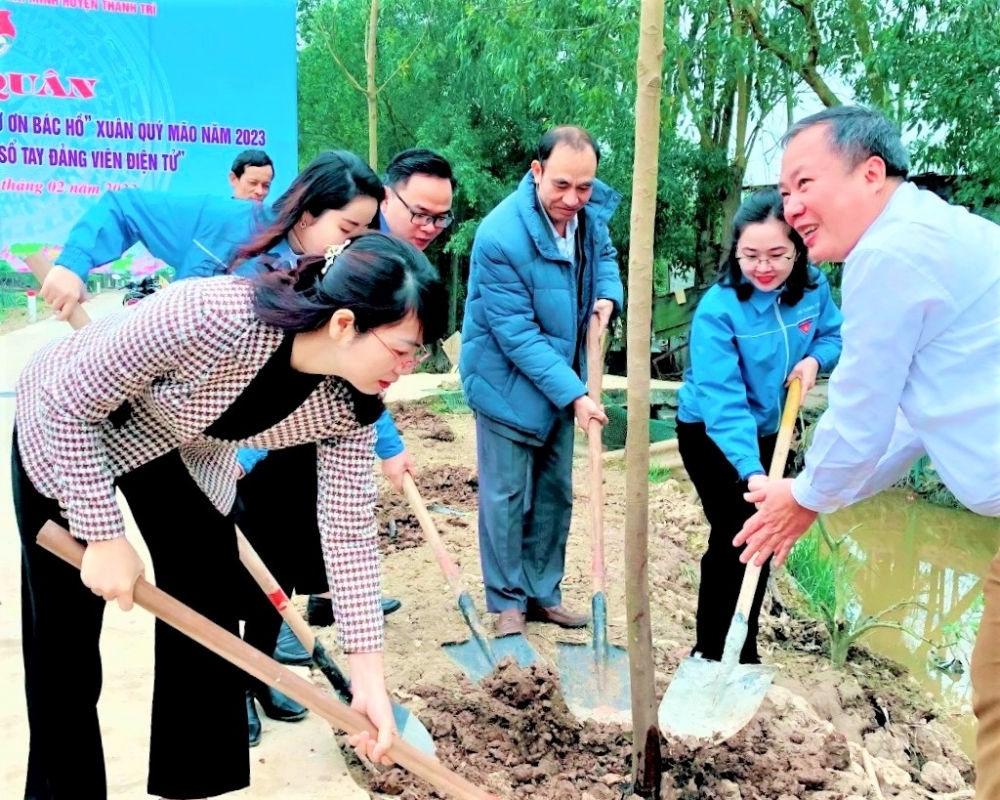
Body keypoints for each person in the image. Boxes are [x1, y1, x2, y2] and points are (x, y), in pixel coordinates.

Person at [12, 232, 447, 800]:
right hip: (67, 426)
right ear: (344, 324)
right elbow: (69, 400)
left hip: (177, 447)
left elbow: (349, 533)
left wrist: (369, 676)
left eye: (418, 354)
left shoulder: (349, 403)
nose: (407, 369)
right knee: (63, 654)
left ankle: (194, 784)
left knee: (209, 604)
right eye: (401, 350)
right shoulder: (212, 315)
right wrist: (102, 534)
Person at [37, 151, 405, 741]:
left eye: (368, 235)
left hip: (226, 445)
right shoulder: (225, 243)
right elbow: (125, 207)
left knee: (223, 586)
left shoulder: (343, 298)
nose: (356, 248)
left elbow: (361, 375)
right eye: (349, 230)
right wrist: (75, 263)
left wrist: (383, 442)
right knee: (72, 630)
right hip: (134, 411)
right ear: (306, 212)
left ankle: (244, 692)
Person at [732, 106, 1000, 800]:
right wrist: (815, 498)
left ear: (871, 172)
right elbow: (904, 425)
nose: (791, 209)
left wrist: (808, 496)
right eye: (783, 191)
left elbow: (859, 411)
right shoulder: (931, 236)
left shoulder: (892, 251)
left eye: (804, 183)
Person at [289, 147, 457, 644]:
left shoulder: (406, 265)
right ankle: (276, 624)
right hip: (269, 408)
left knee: (336, 505)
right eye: (420, 213)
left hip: (326, 401)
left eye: (441, 217)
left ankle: (328, 595)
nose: (429, 226)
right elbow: (350, 362)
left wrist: (385, 444)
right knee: (281, 500)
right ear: (389, 197)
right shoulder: (356, 252)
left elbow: (361, 385)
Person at [459, 126, 622, 636]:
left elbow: (607, 261)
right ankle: (507, 601)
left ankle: (541, 592)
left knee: (555, 493)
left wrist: (607, 296)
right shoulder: (499, 236)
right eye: (561, 186)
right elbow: (516, 334)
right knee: (506, 497)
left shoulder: (589, 219)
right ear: (536, 173)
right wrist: (576, 393)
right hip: (505, 381)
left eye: (585, 187)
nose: (573, 199)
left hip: (560, 378)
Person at [675, 187, 842, 664]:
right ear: (736, 252)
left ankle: (743, 649)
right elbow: (724, 403)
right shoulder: (717, 311)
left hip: (775, 428)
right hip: (712, 434)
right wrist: (754, 473)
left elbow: (834, 334)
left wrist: (814, 361)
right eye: (750, 255)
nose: (763, 267)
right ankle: (711, 652)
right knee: (735, 533)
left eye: (777, 255)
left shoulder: (812, 289)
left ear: (798, 251)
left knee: (765, 535)